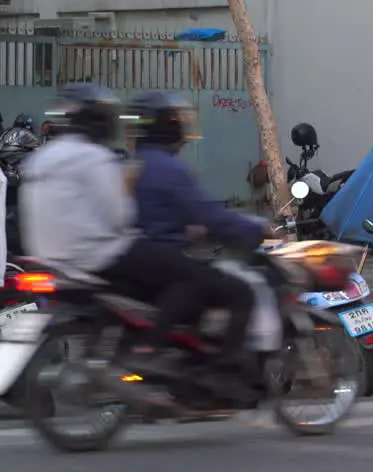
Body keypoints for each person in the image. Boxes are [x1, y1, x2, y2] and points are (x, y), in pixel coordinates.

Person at [19, 85, 256, 385]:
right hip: (99, 253)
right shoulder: (96, 158)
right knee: (189, 274)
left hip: (50, 258)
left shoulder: (42, 158)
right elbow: (120, 216)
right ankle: (152, 348)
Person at [129, 91, 264, 371]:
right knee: (241, 293)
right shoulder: (168, 168)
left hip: (144, 258)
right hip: (166, 258)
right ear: (167, 126)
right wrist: (256, 229)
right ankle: (224, 370)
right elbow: (210, 215)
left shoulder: (137, 162)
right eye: (178, 121)